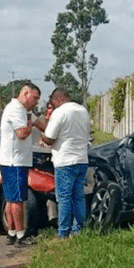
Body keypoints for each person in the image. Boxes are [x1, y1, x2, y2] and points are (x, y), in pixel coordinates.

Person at [0, 82, 45, 246]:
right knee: (16, 200)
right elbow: (22, 133)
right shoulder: (16, 109)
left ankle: (11, 232)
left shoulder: (26, 111)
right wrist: (30, 125)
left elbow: (41, 125)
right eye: (35, 98)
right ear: (25, 93)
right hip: (14, 161)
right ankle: (21, 235)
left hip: (14, 160)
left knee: (11, 199)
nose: (36, 102)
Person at [40, 87, 91, 239]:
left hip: (65, 162)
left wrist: (43, 136)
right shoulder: (83, 111)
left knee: (64, 198)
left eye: (53, 104)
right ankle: (78, 229)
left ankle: (63, 232)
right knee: (78, 196)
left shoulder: (60, 112)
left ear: (58, 100)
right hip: (82, 159)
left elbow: (49, 138)